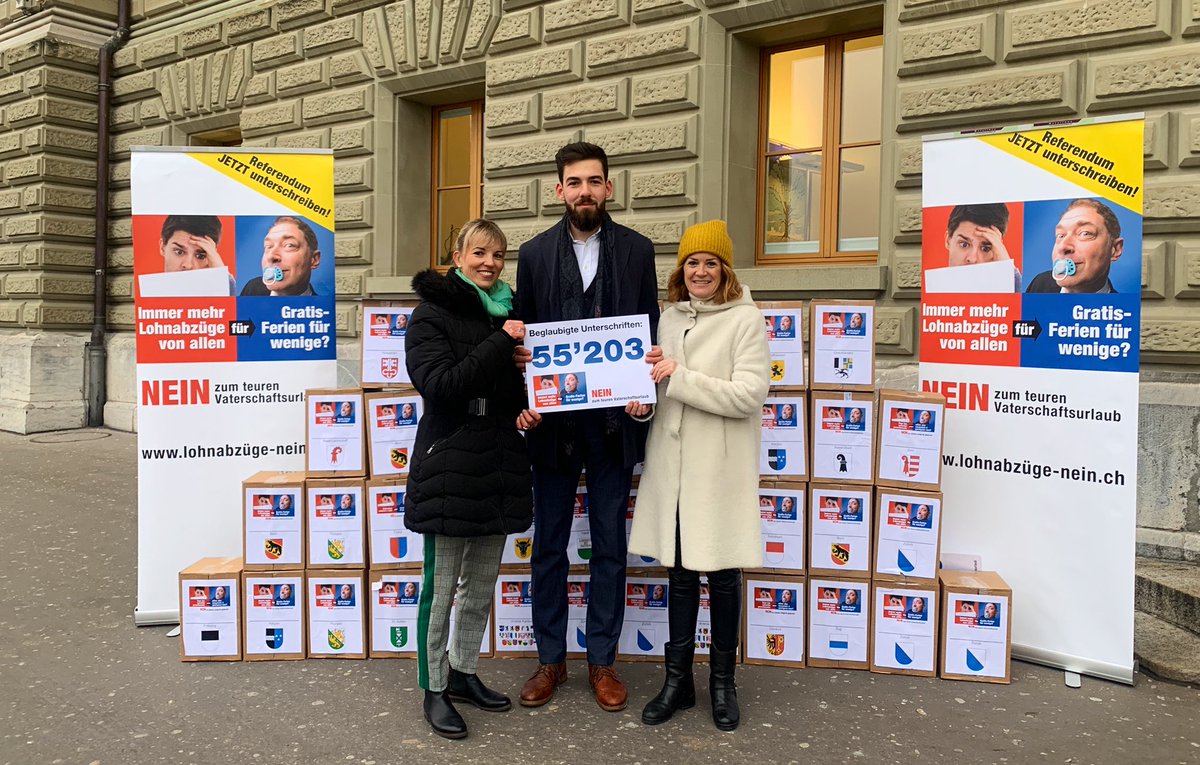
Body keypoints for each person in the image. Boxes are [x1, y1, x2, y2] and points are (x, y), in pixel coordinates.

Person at [513, 142, 660, 713]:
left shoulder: (638, 250)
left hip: (613, 426)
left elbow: (647, 334)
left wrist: (643, 395)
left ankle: (602, 661)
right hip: (553, 425)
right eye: (574, 183)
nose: (585, 192)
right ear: (559, 190)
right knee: (549, 546)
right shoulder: (534, 254)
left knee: (609, 547)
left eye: (594, 181)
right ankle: (550, 659)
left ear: (608, 188)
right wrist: (525, 391)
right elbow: (524, 336)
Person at [628, 219, 770, 732]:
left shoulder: (746, 320)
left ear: (725, 270)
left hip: (718, 471)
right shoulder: (668, 319)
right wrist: (643, 405)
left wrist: (679, 376)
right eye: (692, 262)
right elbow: (662, 391)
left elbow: (749, 394)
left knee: (724, 578)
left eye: (711, 262)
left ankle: (723, 685)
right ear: (681, 270)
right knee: (681, 577)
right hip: (673, 470)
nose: (701, 271)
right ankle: (678, 682)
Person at [404, 218, 535, 740]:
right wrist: (502, 343)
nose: (490, 263)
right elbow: (442, 386)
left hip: (498, 456)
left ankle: (462, 671)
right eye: (479, 252)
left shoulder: (507, 313)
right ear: (457, 257)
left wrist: (524, 403)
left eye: (498, 255)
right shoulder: (431, 313)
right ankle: (434, 687)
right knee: (440, 591)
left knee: (480, 586)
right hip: (450, 461)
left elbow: (499, 384)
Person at [1026, 198, 1124, 293]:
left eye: (1085, 233)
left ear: (1115, 250)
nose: (1063, 247)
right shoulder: (1040, 284)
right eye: (1060, 235)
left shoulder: (1122, 304)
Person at [240, 215, 323, 296]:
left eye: (289, 245)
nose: (271, 256)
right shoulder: (252, 289)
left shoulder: (323, 304)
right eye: (268, 246)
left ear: (314, 260)